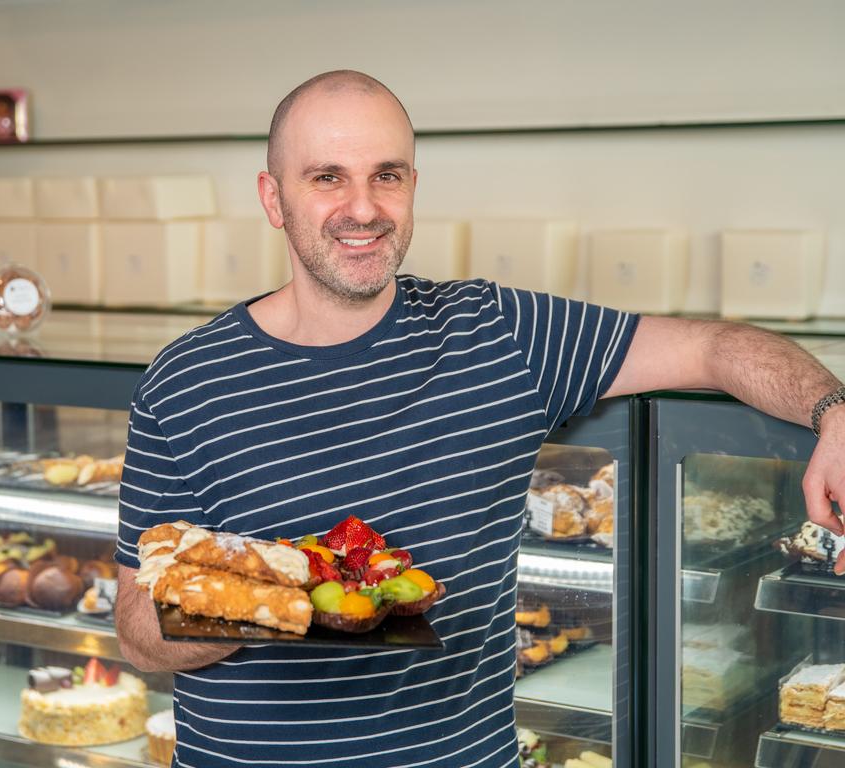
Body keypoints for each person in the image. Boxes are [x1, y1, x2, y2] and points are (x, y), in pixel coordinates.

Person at [114, 70, 845, 767]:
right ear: (274, 199)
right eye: (327, 177)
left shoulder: (496, 332)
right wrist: (292, 593)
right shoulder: (187, 379)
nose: (363, 207)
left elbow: (720, 348)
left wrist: (833, 412)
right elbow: (140, 633)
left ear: (412, 188)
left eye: (387, 175)